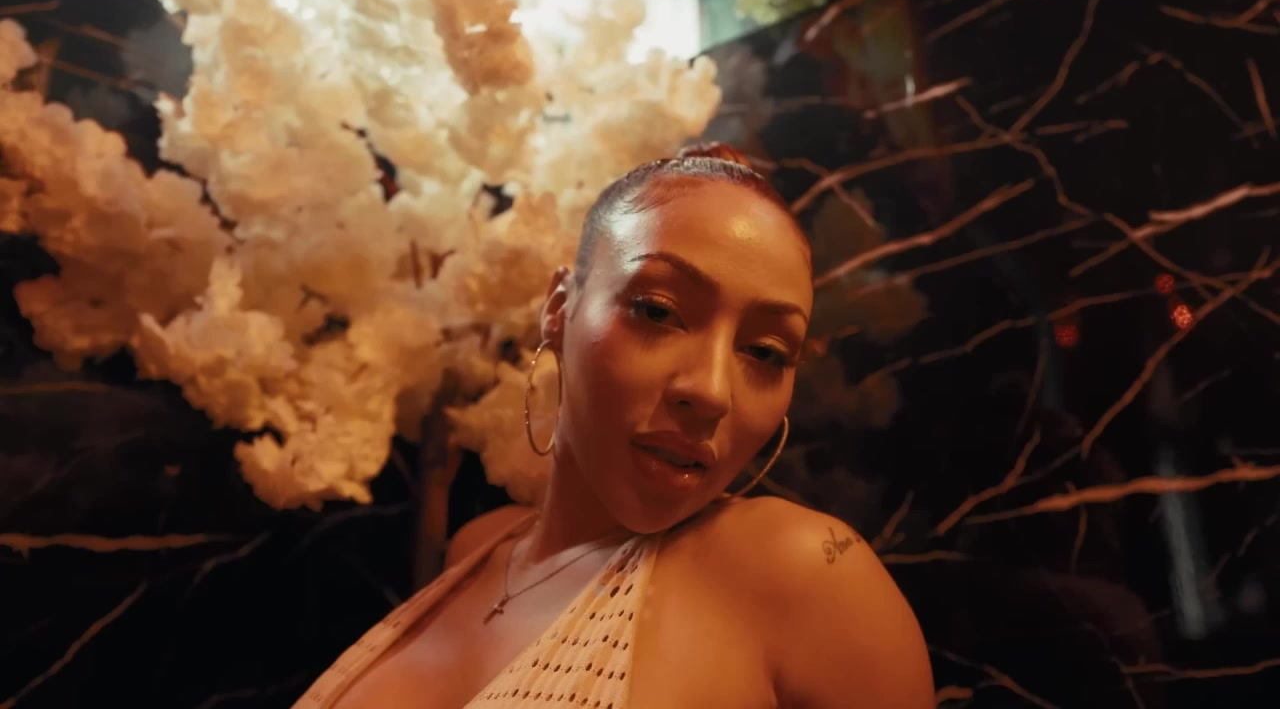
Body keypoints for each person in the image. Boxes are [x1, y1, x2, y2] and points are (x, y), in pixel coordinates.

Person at [295, 143, 934, 708]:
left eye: (766, 352)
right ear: (559, 309)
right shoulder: (474, 548)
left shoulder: (801, 576)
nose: (710, 392)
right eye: (658, 311)